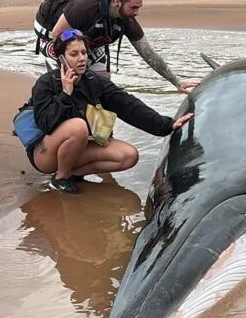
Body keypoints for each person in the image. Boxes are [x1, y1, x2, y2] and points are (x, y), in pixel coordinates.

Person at [21, 29, 193, 194]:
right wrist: (66, 93)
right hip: (44, 154)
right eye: (74, 54)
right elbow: (46, 123)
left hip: (80, 147)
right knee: (78, 127)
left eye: (84, 52)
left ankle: (73, 173)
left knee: (129, 156)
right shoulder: (46, 83)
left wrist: (167, 124)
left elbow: (128, 105)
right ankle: (61, 178)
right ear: (61, 58)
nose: (81, 59)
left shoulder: (93, 81)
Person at [38, 0, 199, 94]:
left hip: (86, 39)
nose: (136, 12)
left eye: (139, 7)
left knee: (102, 80)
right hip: (51, 30)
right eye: (133, 7)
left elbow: (148, 54)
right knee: (69, 80)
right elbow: (57, 35)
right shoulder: (86, 5)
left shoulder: (127, 20)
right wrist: (73, 67)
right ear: (117, 1)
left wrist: (177, 82)